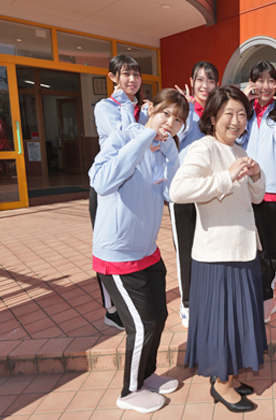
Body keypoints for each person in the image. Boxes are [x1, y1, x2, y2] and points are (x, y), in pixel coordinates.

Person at [89, 88, 188, 414]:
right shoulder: (120, 137)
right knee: (142, 325)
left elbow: (174, 193)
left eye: (178, 119)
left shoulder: (164, 149)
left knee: (158, 316)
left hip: (147, 251)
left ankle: (146, 376)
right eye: (166, 113)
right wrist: (144, 137)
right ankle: (129, 391)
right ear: (149, 109)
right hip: (116, 256)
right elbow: (102, 181)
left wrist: (171, 151)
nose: (170, 122)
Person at [169, 86, 267, 414]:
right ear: (212, 117)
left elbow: (254, 197)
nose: (236, 121)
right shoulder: (204, 149)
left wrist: (256, 175)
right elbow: (179, 189)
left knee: (239, 321)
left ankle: (231, 375)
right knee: (223, 323)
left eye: (242, 114)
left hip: (243, 250)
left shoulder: (239, 150)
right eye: (229, 114)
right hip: (217, 255)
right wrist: (225, 179)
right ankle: (221, 384)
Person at [91, 55, 147, 330]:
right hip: (109, 186)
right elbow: (125, 137)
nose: (132, 80)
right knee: (108, 250)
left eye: (136, 74)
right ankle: (110, 309)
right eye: (126, 74)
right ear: (113, 77)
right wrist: (134, 109)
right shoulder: (106, 107)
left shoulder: (140, 109)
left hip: (133, 185)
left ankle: (124, 303)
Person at [237, 60, 276, 323]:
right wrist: (244, 105)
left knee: (270, 248)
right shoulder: (246, 113)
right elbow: (236, 140)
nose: (265, 86)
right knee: (250, 245)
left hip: (273, 191)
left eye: (270, 80)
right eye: (259, 80)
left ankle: (266, 296)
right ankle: (254, 291)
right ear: (252, 83)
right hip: (247, 189)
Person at [169, 61, 219, 329]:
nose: (205, 86)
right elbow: (177, 133)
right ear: (191, 82)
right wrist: (184, 109)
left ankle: (204, 297)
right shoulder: (185, 112)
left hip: (208, 193)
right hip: (183, 193)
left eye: (210, 81)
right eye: (200, 80)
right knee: (185, 249)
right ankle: (187, 303)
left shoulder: (217, 113)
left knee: (205, 249)